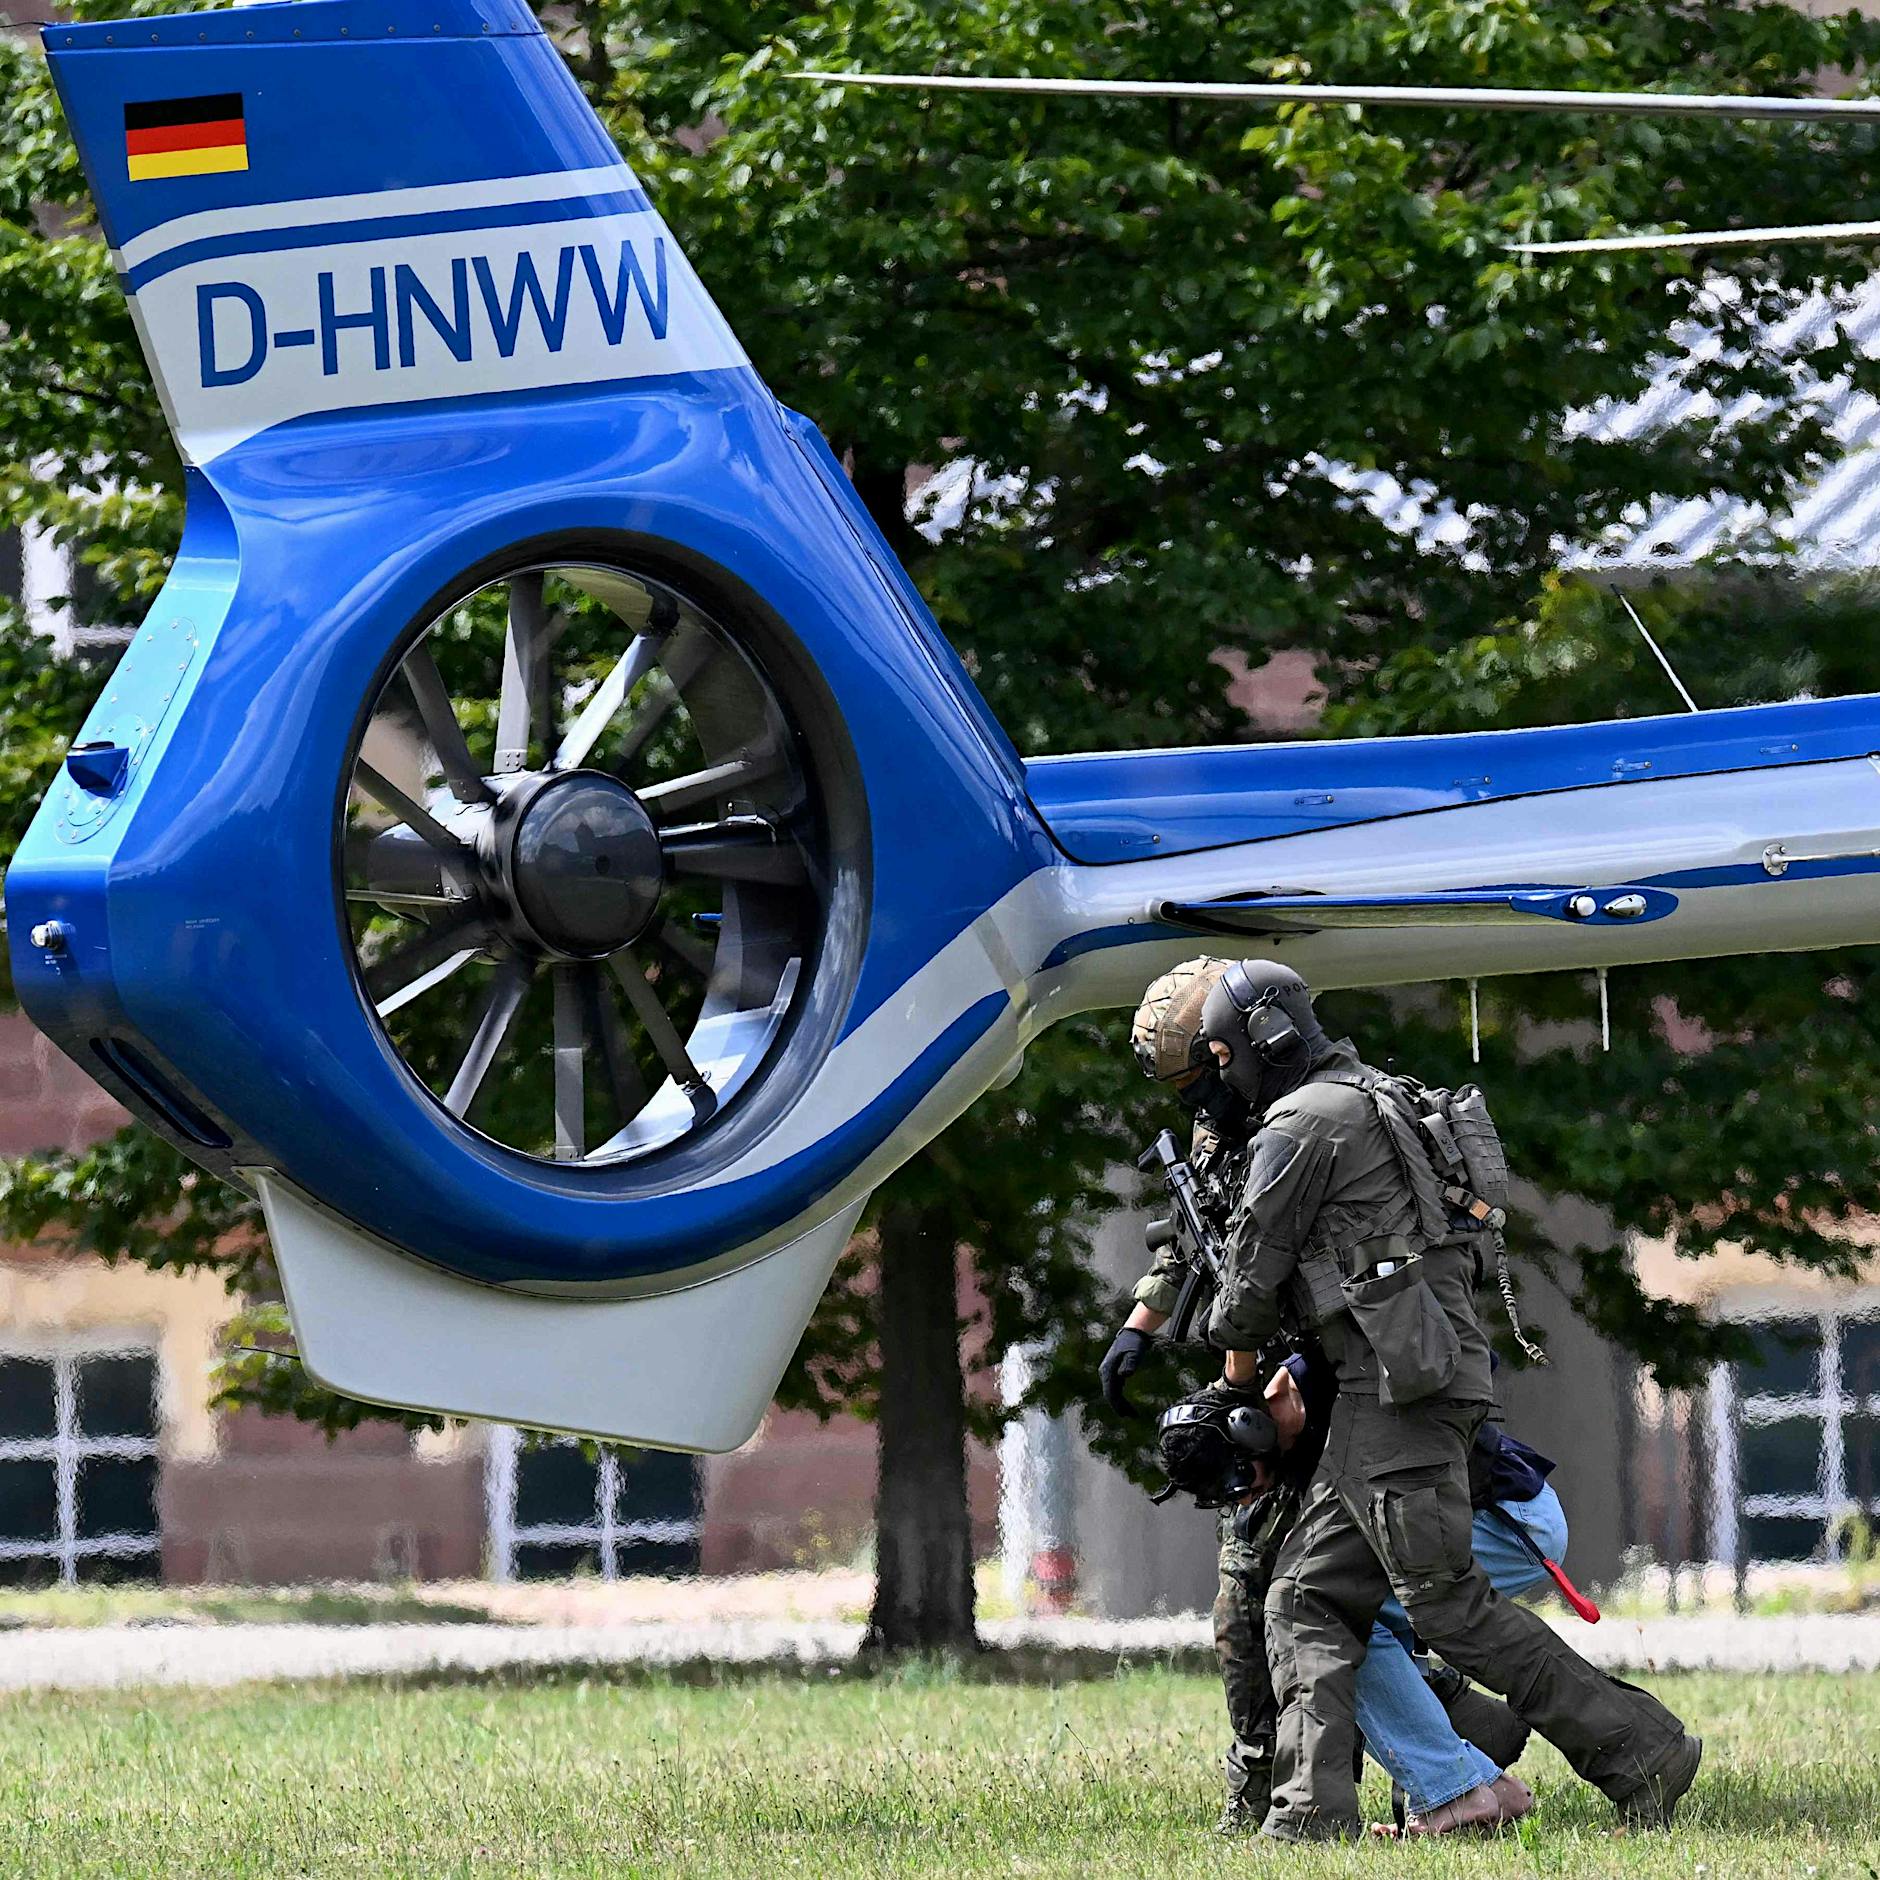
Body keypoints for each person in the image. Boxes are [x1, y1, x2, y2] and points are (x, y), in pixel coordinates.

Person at [1188, 957, 1701, 1841]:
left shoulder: (1301, 1124)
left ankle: (1641, 1751)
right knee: (1304, 1594)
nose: (1223, 1074)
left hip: (1398, 1394)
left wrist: (1228, 1389)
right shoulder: (1374, 1093)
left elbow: (1246, 1291)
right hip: (1396, 1386)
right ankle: (1311, 1813)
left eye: (1226, 1055)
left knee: (1445, 1605)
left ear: (1266, 1041)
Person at [1102, 959, 1551, 1835]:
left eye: (1204, 1075)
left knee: (1305, 1602)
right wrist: (1141, 1326)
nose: (1200, 1098)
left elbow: (1268, 1281)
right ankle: (1408, 1767)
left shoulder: (1314, 1126)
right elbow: (1200, 1242)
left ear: (1241, 1050)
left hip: (1352, 1388)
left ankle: (1434, 1774)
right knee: (1282, 1603)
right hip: (1317, 1383)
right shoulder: (1238, 1132)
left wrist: (1242, 1408)